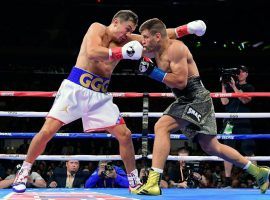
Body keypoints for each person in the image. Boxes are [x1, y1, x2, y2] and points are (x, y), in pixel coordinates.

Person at [12, 9, 207, 193]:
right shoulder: (97, 28)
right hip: (75, 89)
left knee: (125, 135)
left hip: (100, 96)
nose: (127, 34)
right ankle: (23, 173)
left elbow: (161, 36)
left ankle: (134, 181)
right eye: (127, 29)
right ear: (116, 22)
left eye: (131, 32)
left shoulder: (127, 40)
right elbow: (92, 52)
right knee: (47, 131)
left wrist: (188, 29)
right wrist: (121, 53)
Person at [132, 18, 270, 195]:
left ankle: (153, 183)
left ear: (157, 36)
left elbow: (181, 82)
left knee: (161, 126)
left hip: (195, 98)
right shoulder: (155, 47)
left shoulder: (176, 48)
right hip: (187, 99)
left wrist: (152, 71)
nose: (142, 41)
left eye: (145, 37)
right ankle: (258, 172)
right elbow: (133, 39)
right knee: (212, 146)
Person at [220, 65, 256, 187]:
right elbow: (224, 102)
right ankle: (227, 181)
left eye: (241, 72)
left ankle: (257, 178)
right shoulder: (229, 87)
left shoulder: (249, 87)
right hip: (229, 123)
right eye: (237, 72)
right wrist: (224, 85)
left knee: (248, 150)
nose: (239, 74)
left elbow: (245, 100)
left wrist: (234, 87)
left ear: (246, 74)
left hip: (244, 122)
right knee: (227, 151)